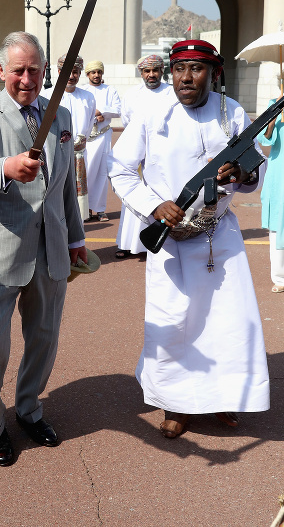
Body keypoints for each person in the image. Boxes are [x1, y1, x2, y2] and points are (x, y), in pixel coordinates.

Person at [108, 39, 269, 439]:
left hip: (220, 235)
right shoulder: (151, 111)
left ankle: (225, 395)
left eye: (196, 69)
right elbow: (121, 168)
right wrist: (155, 204)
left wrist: (243, 175)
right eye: (179, 69)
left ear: (213, 73)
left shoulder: (232, 112)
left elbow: (254, 175)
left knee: (228, 322)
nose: (186, 78)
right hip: (172, 239)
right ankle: (176, 403)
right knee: (172, 322)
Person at [0, 32, 86, 466]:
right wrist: (7, 168)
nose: (27, 79)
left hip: (50, 250)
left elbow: (65, 183)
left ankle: (29, 409)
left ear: (44, 70)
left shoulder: (61, 115)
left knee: (44, 339)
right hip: (0, 253)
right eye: (18, 70)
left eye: (34, 69)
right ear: (0, 72)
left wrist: (75, 238)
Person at [114, 55, 173, 258]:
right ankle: (127, 243)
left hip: (161, 152)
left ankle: (156, 241)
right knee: (132, 193)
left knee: (159, 195)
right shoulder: (131, 95)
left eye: (155, 70)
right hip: (135, 151)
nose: (151, 75)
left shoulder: (171, 93)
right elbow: (126, 121)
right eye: (147, 71)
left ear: (162, 71)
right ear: (141, 73)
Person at [45, 55, 96, 222]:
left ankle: (76, 236)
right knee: (56, 193)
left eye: (75, 72)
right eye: (68, 72)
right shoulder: (46, 95)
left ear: (80, 73)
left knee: (77, 197)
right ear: (59, 72)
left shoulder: (88, 97)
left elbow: (89, 124)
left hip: (78, 155)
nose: (71, 76)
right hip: (55, 153)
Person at [81, 60, 121, 222]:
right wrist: (93, 113)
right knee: (85, 172)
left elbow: (118, 110)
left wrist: (102, 111)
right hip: (85, 139)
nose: (96, 75)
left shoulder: (110, 90)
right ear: (88, 74)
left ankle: (100, 210)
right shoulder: (82, 91)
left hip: (103, 136)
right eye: (93, 72)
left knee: (102, 173)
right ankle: (86, 209)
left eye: (99, 72)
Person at [257, 89, 284, 293]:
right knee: (278, 221)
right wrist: (275, 113)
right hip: (279, 174)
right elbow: (266, 140)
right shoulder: (274, 103)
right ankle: (280, 276)